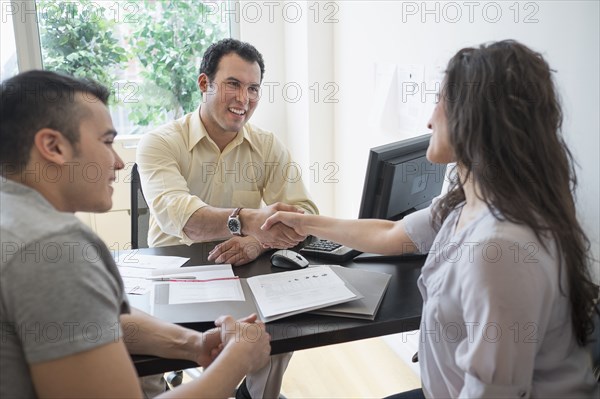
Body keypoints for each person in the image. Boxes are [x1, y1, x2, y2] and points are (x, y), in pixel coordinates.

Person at [261, 40, 599, 398]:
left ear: (472, 118)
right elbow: (392, 233)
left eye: (439, 100)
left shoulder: (499, 249)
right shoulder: (469, 203)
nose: (428, 118)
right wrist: (306, 223)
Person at [0, 70, 271, 398]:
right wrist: (237, 361)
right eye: (106, 142)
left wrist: (194, 344)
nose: (117, 163)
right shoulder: (54, 249)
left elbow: (106, 319)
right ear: (53, 146)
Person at [136, 38, 318, 398]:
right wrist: (249, 220)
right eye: (233, 84)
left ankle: (253, 395)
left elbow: (305, 213)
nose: (244, 99)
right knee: (139, 360)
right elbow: (183, 218)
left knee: (284, 328)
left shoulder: (267, 145)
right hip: (174, 274)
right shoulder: (159, 142)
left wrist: (256, 241)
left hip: (242, 273)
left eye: (253, 89)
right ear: (205, 84)